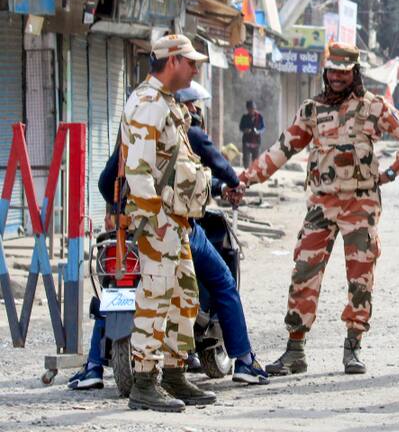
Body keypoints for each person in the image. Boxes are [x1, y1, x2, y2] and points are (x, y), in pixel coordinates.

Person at [240, 42, 399, 376]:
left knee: (360, 278)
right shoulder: (312, 110)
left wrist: (390, 172)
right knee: (303, 272)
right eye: (333, 71)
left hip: (361, 202)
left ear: (354, 73)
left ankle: (353, 348)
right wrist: (247, 178)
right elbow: (283, 148)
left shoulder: (373, 107)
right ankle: (295, 350)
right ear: (326, 73)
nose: (338, 77)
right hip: (321, 204)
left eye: (344, 71)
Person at [69, 82, 269, 392]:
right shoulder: (182, 128)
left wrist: (124, 207)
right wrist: (231, 183)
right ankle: (243, 360)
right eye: (192, 104)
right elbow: (210, 164)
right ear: (183, 104)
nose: (194, 111)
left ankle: (94, 366)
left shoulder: (131, 135)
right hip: (173, 227)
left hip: (129, 230)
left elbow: (106, 181)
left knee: (116, 285)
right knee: (220, 282)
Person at [121, 34, 214, 412]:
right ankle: (145, 381)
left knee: (184, 297)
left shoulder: (167, 103)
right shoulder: (147, 102)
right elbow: (138, 169)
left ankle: (175, 375)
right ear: (172, 60)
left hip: (175, 220)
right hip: (157, 219)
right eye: (191, 62)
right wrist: (156, 219)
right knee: (155, 297)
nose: (196, 68)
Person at [239, 100, 265, 168]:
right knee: (246, 159)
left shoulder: (259, 117)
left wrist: (258, 131)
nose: (252, 110)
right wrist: (245, 130)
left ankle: (254, 174)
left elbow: (263, 128)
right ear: (247, 109)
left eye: (253, 108)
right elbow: (241, 127)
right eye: (250, 109)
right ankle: (247, 173)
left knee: (256, 160)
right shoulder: (244, 117)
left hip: (256, 142)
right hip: (246, 141)